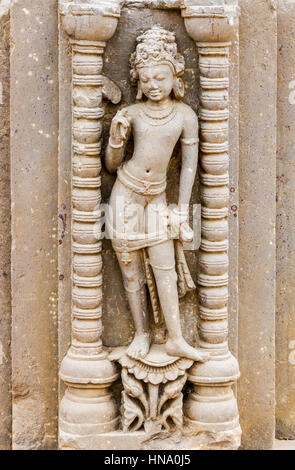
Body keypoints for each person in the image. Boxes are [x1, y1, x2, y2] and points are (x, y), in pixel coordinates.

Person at [105, 26, 209, 363]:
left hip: (158, 198)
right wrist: (116, 139)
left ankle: (176, 337)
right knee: (130, 267)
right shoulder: (132, 114)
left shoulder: (184, 116)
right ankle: (143, 332)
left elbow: (189, 168)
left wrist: (180, 210)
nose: (153, 85)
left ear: (175, 76)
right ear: (137, 79)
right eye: (146, 78)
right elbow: (111, 165)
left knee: (164, 265)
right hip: (126, 192)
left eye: (160, 77)